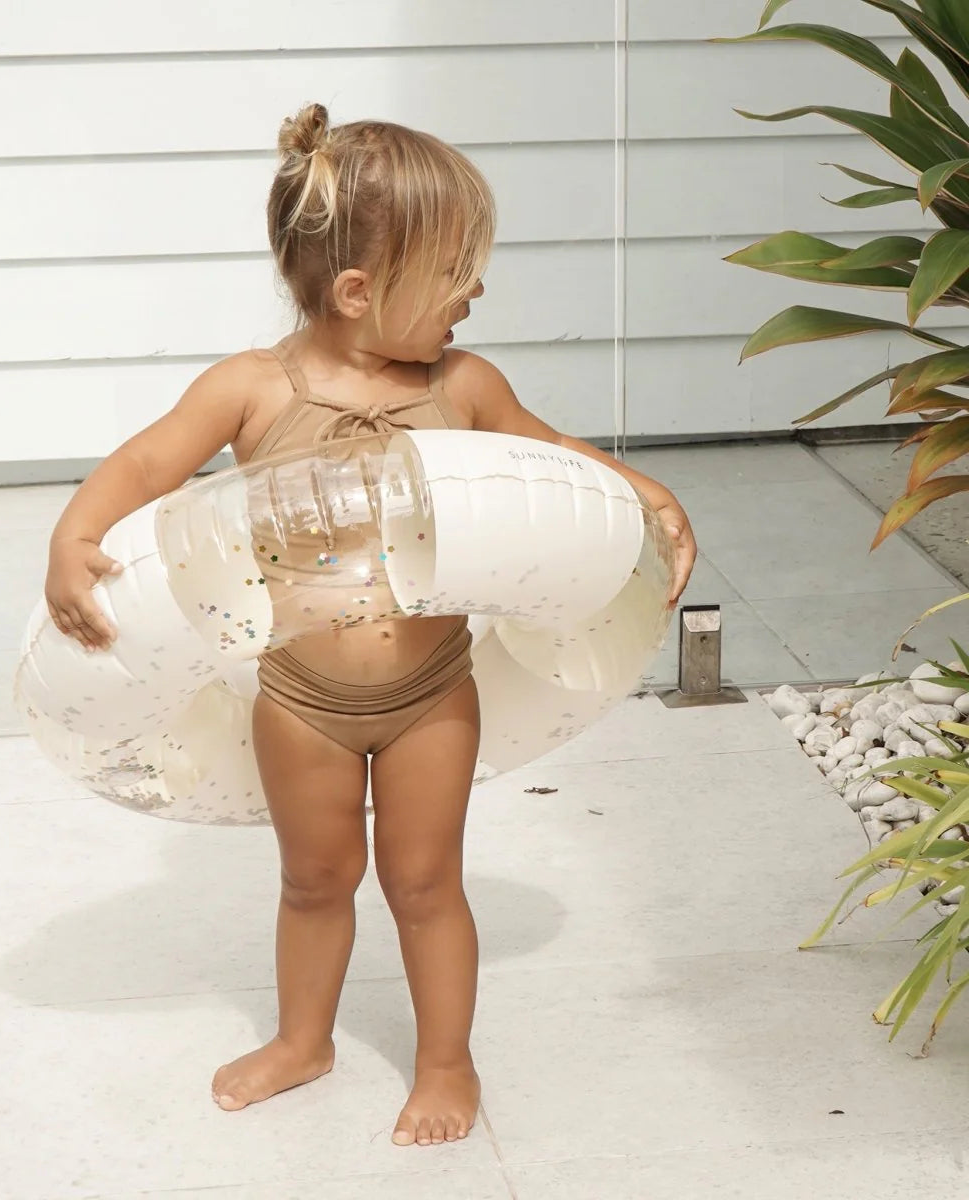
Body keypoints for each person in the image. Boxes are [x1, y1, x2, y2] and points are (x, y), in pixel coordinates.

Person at [45, 103, 697, 1148]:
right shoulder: (250, 390)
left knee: (426, 881)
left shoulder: (466, 387)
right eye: (456, 275)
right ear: (358, 292)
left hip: (431, 692)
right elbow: (142, 466)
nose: (476, 293)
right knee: (314, 880)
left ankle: (446, 1060)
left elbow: (559, 458)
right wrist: (74, 536)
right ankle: (304, 1039)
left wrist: (645, 491)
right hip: (300, 700)